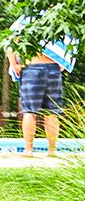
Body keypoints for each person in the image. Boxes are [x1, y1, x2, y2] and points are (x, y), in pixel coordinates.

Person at [7, 18, 77, 157]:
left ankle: (29, 150)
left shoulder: (28, 17)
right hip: (52, 68)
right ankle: (51, 151)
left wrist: (14, 64)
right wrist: (63, 64)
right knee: (51, 112)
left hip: (32, 68)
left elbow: (10, 40)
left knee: (30, 112)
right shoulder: (58, 16)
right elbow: (71, 43)